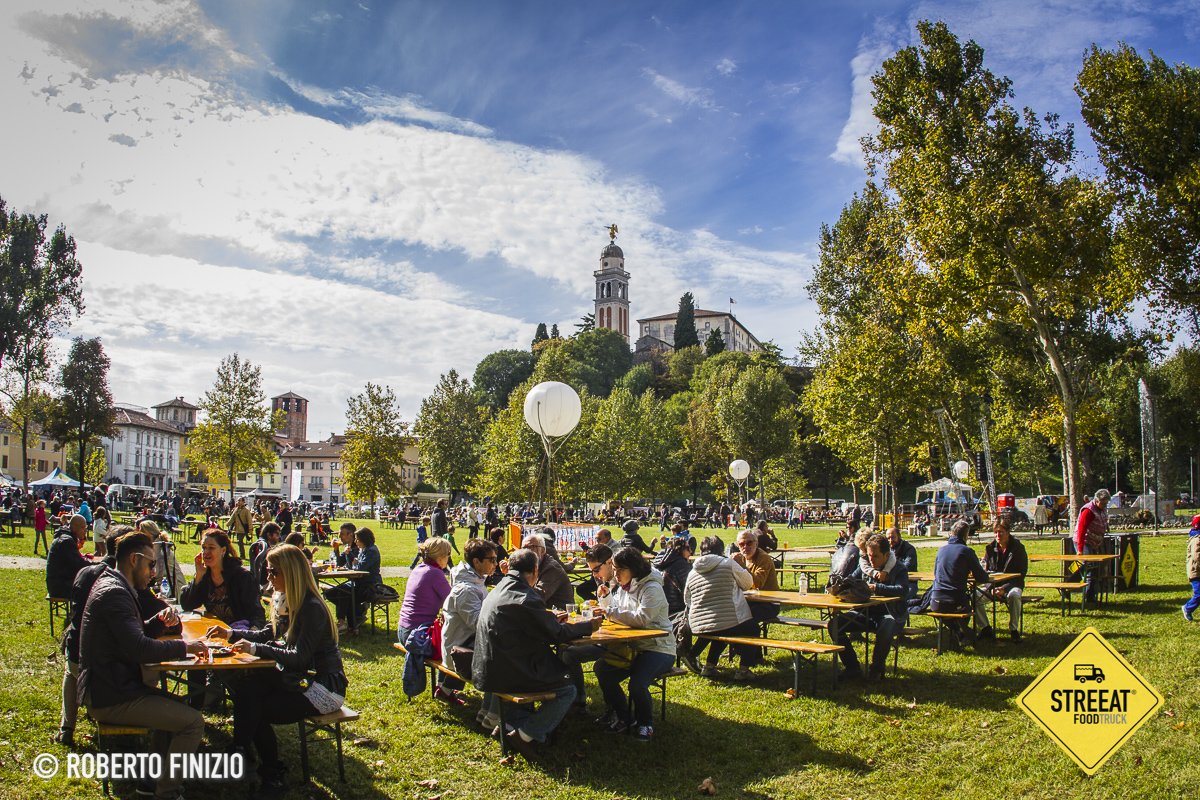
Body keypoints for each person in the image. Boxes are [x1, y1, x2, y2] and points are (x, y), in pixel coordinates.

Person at [79, 531, 208, 800]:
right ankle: (167, 792)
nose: (154, 572)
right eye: (151, 564)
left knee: (176, 711)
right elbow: (139, 650)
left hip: (115, 686)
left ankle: (152, 782)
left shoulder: (116, 585)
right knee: (193, 722)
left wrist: (157, 623)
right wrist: (185, 647)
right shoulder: (115, 593)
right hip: (111, 696)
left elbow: (129, 638)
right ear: (134, 559)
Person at [212, 544, 348, 799]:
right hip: (299, 681)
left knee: (255, 705)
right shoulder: (288, 599)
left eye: (273, 571)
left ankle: (261, 766)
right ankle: (249, 756)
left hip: (324, 689)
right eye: (267, 571)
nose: (268, 577)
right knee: (248, 689)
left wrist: (255, 648)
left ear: (291, 572)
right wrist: (231, 633)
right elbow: (268, 634)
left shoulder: (311, 607)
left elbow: (299, 658)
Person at [471, 548, 600, 760]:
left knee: (553, 672)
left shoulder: (500, 587)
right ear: (535, 570)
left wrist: (547, 621)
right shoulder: (525, 596)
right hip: (510, 669)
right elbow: (557, 634)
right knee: (567, 689)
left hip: (490, 665)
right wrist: (588, 626)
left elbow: (531, 624)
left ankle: (512, 724)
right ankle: (525, 734)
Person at [594, 547, 676, 741]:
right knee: (602, 670)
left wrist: (610, 612)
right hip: (632, 647)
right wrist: (606, 599)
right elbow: (619, 611)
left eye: (619, 570)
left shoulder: (651, 588)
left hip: (658, 647)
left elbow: (642, 619)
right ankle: (624, 716)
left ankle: (645, 723)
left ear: (633, 568)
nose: (615, 574)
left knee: (637, 684)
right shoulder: (625, 586)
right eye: (614, 569)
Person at [832, 532, 909, 682]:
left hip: (891, 614)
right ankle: (852, 667)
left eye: (875, 556)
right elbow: (851, 579)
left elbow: (903, 590)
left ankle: (876, 669)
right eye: (869, 556)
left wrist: (876, 587)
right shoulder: (865, 566)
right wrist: (840, 585)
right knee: (834, 624)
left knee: (887, 624)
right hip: (865, 613)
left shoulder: (899, 569)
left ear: (886, 555)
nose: (871, 560)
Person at [683, 535, 760, 680]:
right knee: (753, 628)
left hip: (699, 623)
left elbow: (687, 599)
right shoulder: (728, 563)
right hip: (726, 621)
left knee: (720, 627)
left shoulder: (692, 572)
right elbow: (748, 583)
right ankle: (744, 670)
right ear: (721, 549)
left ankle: (709, 666)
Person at [437, 538, 502, 706]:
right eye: (492, 559)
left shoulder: (475, 580)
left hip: (461, 643)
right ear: (476, 561)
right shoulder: (466, 590)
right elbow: (479, 625)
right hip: (458, 651)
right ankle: (492, 713)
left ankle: (445, 689)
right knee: (504, 656)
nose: (496, 563)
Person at [913, 521, 989, 645]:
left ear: (951, 533)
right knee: (967, 606)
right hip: (955, 601)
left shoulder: (941, 550)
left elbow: (936, 573)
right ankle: (962, 632)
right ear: (966, 536)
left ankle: (958, 632)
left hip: (935, 602)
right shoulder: (966, 551)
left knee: (947, 611)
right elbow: (982, 577)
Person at [974, 519, 1028, 642]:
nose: (998, 535)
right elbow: (987, 571)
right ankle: (985, 628)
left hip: (1013, 584)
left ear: (1008, 532)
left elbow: (1021, 574)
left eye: (1001, 532)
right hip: (993, 585)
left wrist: (1004, 589)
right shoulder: (990, 548)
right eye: (996, 532)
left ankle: (1014, 630)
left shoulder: (1018, 549)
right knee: (974, 596)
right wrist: (991, 586)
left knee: (1014, 596)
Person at [325, 526, 382, 633]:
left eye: (357, 539)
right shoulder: (363, 549)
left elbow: (359, 567)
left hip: (370, 585)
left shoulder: (371, 551)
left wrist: (351, 557)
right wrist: (349, 556)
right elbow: (352, 566)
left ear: (364, 539)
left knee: (344, 593)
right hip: (359, 583)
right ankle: (355, 618)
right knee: (332, 593)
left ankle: (347, 623)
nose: (356, 541)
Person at [398, 537, 452, 646]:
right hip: (418, 634)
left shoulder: (418, 569)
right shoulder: (435, 573)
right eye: (448, 555)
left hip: (403, 629)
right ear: (440, 557)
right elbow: (452, 599)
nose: (449, 558)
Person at [732, 528, 780, 625]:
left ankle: (750, 637)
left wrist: (742, 566)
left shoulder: (764, 558)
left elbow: (757, 583)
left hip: (769, 603)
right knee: (726, 612)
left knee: (744, 616)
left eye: (749, 543)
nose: (745, 547)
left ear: (756, 544)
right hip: (750, 600)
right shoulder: (740, 558)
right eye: (741, 544)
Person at [1074, 488, 1110, 604]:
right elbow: (1081, 530)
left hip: (1094, 542)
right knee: (1089, 567)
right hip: (1083, 541)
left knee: (1089, 567)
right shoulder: (1088, 511)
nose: (1104, 505)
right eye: (1102, 503)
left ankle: (1070, 581)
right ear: (1096, 500)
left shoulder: (1102, 509)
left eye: (1106, 503)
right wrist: (1080, 549)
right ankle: (1088, 597)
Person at [523, 532, 575, 609]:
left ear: (543, 550)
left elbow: (537, 597)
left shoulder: (551, 568)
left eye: (532, 547)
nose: (526, 551)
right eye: (524, 548)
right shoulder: (531, 565)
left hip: (561, 616)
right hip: (543, 613)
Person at [47, 514, 91, 598]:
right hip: (59, 587)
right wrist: (99, 564)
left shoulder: (66, 537)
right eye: (83, 528)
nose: (85, 531)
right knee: (92, 588)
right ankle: (80, 611)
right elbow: (79, 565)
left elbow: (75, 561)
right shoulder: (66, 541)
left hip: (59, 582)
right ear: (74, 527)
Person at [651, 536, 693, 616]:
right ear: (680, 549)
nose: (690, 552)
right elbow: (688, 591)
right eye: (688, 548)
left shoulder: (657, 563)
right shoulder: (681, 565)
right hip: (676, 609)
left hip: (658, 609)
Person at [886, 527, 919, 601]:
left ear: (899, 537)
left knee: (901, 599)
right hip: (891, 582)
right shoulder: (886, 549)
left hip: (909, 583)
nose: (890, 540)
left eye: (893, 537)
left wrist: (889, 570)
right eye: (888, 538)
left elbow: (907, 567)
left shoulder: (909, 549)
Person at [250, 522, 282, 590]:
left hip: (261, 581)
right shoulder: (264, 546)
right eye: (277, 534)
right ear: (269, 535)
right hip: (265, 583)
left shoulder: (260, 543)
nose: (279, 537)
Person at [1185, 515, 1200, 622]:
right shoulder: (1197, 539)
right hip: (1196, 571)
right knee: (1199, 594)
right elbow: (1196, 557)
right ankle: (1187, 608)